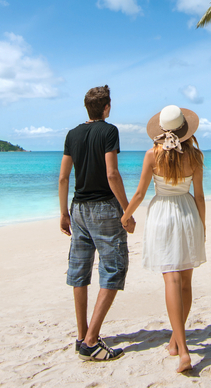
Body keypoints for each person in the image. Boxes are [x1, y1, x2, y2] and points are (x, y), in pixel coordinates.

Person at [121, 105, 206, 373]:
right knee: (186, 282)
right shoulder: (195, 156)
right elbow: (200, 196)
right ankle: (175, 342)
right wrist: (202, 226)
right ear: (184, 130)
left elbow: (138, 194)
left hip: (162, 215)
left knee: (171, 279)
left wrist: (126, 216)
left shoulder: (152, 155)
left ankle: (183, 350)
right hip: (187, 213)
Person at [58, 85, 136, 361]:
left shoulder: (72, 134)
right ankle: (91, 341)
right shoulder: (109, 131)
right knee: (114, 268)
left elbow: (64, 178)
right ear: (106, 108)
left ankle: (81, 336)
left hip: (77, 208)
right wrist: (127, 211)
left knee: (79, 271)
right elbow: (112, 173)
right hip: (103, 207)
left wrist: (63, 213)